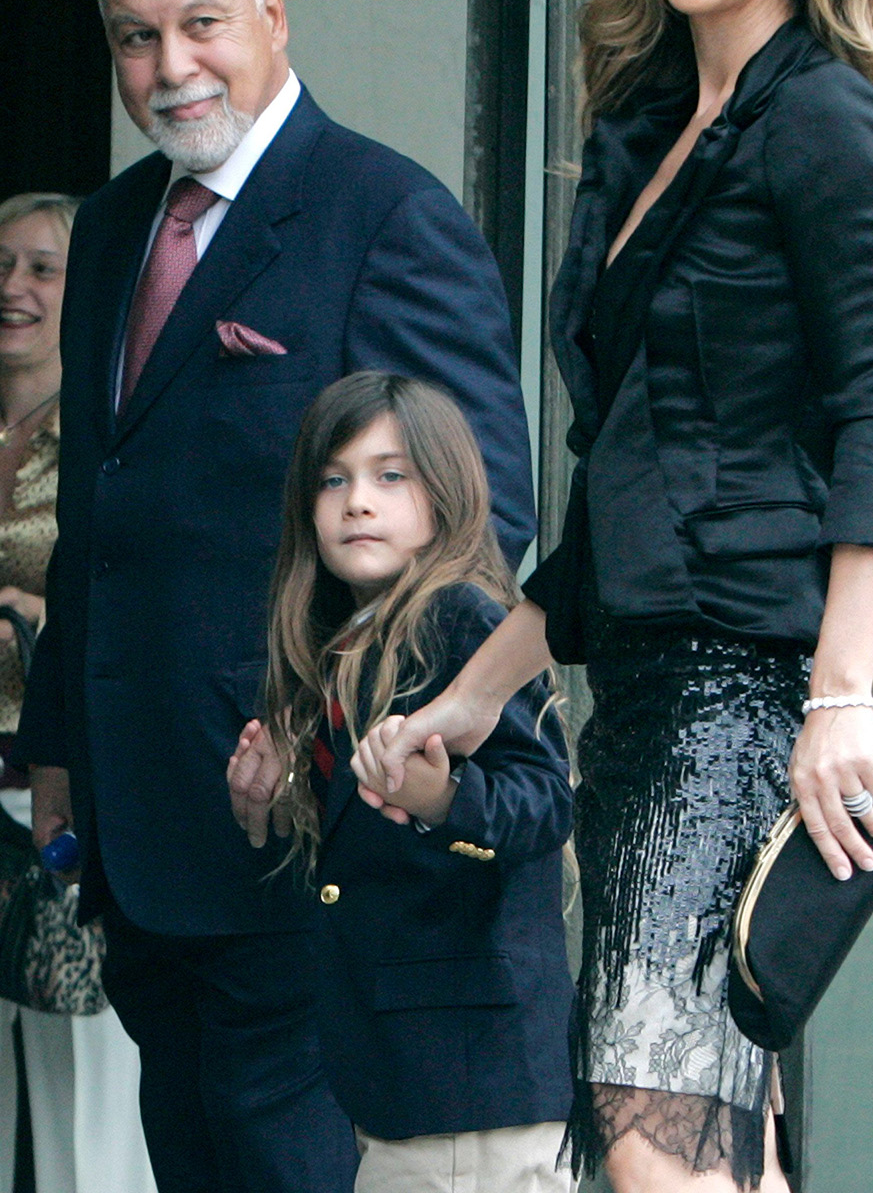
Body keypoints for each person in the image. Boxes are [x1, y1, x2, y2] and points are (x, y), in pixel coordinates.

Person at [349, 0, 873, 1193]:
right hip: (646, 702)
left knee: (654, 1147)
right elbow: (629, 491)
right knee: (702, 1155)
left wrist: (837, 697)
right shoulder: (641, 130)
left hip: (748, 701)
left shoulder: (829, 120)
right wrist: (472, 701)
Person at [12, 0, 535, 1193]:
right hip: (136, 845)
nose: (171, 67)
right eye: (136, 39)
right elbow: (101, 514)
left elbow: (479, 527)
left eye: (201, 25)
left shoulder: (384, 218)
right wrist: (59, 744)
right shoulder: (115, 230)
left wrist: (332, 739)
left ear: (275, 15)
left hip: (304, 847)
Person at [239, 370, 575, 1192]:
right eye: (334, 479)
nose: (358, 500)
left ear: (447, 495)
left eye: (391, 476)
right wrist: (269, 807)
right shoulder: (340, 647)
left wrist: (444, 800)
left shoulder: (462, 617)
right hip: (403, 1087)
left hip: (477, 1086)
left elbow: (545, 802)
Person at [0, 193, 154, 1193]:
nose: (13, 288)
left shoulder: (112, 436)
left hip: (49, 785)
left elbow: (131, 609)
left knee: (84, 1097)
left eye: (41, 268)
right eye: (0, 264)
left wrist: (19, 604)